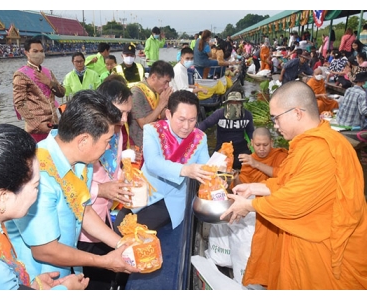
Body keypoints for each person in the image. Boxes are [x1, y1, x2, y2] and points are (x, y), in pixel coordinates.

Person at [221, 80, 367, 289]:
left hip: (324, 250)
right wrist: (255, 188)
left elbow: (295, 199)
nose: (275, 125)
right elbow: (289, 181)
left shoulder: (322, 150)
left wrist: (251, 205)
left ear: (297, 113)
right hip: (305, 241)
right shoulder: (308, 144)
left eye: (277, 118)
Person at [5, 90, 139, 281]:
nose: (109, 147)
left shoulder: (81, 162)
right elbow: (45, 250)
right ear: (83, 140)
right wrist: (105, 261)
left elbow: (82, 210)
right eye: (107, 140)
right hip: (38, 277)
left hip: (67, 267)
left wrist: (122, 244)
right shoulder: (37, 176)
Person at [0, 124, 89, 290]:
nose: (39, 192)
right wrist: (65, 291)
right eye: (36, 186)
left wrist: (28, 287)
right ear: (3, 197)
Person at [114, 90, 212, 232]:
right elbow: (153, 163)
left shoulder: (199, 138)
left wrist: (217, 175)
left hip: (172, 200)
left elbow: (206, 168)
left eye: (192, 120)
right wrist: (185, 170)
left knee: (136, 231)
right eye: (181, 119)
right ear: (168, 114)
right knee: (119, 227)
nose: (186, 126)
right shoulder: (152, 130)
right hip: (144, 193)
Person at [77, 80, 134, 290]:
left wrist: (124, 180)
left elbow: (113, 168)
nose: (125, 119)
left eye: (128, 112)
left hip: (102, 213)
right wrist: (101, 190)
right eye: (121, 112)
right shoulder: (84, 138)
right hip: (84, 224)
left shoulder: (116, 132)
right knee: (94, 277)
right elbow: (71, 185)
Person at [13, 38, 65, 142]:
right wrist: (38, 124)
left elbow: (61, 93)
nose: (39, 54)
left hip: (54, 125)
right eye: (35, 51)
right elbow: (19, 104)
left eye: (41, 51)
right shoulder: (21, 74)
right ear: (27, 53)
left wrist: (49, 83)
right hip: (36, 131)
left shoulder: (48, 72)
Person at [198, 91, 254, 171]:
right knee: (215, 168)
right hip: (222, 146)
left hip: (240, 147)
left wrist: (252, 141)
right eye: (232, 102)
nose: (234, 105)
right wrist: (195, 136)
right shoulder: (219, 114)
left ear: (241, 103)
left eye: (237, 102)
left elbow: (250, 131)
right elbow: (205, 124)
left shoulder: (247, 115)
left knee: (247, 167)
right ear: (227, 103)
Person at [128, 60, 174, 150]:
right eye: (165, 82)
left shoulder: (156, 90)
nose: (166, 86)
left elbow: (160, 115)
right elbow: (143, 124)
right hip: (141, 145)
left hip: (155, 140)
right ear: (153, 77)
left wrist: (170, 103)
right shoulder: (137, 93)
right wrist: (161, 104)